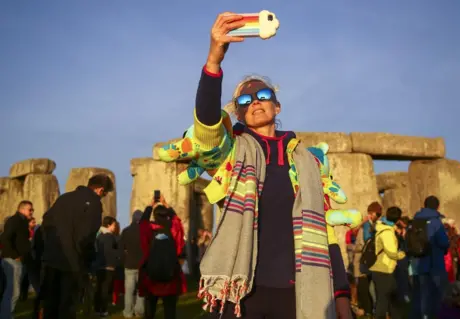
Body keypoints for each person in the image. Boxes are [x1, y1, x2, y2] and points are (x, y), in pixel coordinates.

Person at [155, 13, 353, 319]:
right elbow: (207, 127)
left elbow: (325, 231)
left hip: (296, 290)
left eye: (263, 95)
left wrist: (340, 292)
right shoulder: (232, 153)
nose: (255, 102)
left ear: (277, 105)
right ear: (237, 114)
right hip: (241, 292)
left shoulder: (309, 163)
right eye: (244, 101)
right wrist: (214, 61)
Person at [41, 174, 113, 319]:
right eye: (104, 194)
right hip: (73, 261)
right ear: (100, 190)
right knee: (67, 306)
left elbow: (46, 221)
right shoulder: (94, 203)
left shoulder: (64, 198)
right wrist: (87, 258)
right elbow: (87, 235)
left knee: (51, 304)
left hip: (52, 257)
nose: (103, 197)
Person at [139, 197, 186, 319]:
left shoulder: (149, 229)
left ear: (154, 216)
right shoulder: (174, 229)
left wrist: (150, 206)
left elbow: (142, 223)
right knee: (170, 312)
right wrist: (167, 205)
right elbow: (177, 221)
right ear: (167, 216)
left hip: (151, 276)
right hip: (171, 276)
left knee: (150, 311)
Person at [412, 195, 450, 319]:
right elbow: (443, 242)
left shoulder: (416, 220)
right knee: (437, 296)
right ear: (437, 206)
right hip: (435, 263)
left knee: (422, 294)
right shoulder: (435, 221)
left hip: (419, 262)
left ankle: (422, 316)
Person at [369, 206, 406, 319]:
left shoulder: (383, 228)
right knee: (383, 301)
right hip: (384, 269)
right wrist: (403, 254)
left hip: (381, 269)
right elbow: (391, 252)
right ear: (398, 219)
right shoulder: (387, 232)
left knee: (390, 299)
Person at [0, 200, 34, 319]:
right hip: (13, 260)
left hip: (16, 259)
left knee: (13, 291)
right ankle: (5, 315)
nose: (32, 212)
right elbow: (5, 238)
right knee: (13, 292)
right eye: (30, 209)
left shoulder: (21, 221)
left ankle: (7, 315)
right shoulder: (15, 220)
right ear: (22, 209)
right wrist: (15, 255)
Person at [94, 216, 121, 317]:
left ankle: (97, 309)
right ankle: (103, 310)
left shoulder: (99, 236)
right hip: (108, 266)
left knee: (99, 288)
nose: (115, 227)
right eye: (113, 225)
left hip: (99, 265)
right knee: (105, 290)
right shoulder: (110, 237)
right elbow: (110, 252)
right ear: (108, 225)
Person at [120, 210, 144, 318]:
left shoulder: (126, 231)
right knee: (141, 290)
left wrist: (124, 258)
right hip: (142, 264)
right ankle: (139, 311)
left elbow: (121, 248)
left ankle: (128, 312)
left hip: (129, 263)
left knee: (129, 290)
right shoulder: (145, 231)